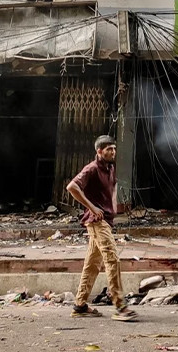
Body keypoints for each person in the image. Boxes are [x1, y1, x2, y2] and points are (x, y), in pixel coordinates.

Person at [67, 135, 138, 322]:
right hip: (96, 221)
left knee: (92, 265)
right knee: (112, 259)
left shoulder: (110, 168)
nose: (112, 152)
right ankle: (120, 306)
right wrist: (92, 207)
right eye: (108, 149)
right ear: (99, 151)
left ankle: (80, 305)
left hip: (106, 220)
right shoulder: (91, 168)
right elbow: (72, 187)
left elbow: (112, 189)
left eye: (114, 149)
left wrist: (114, 209)